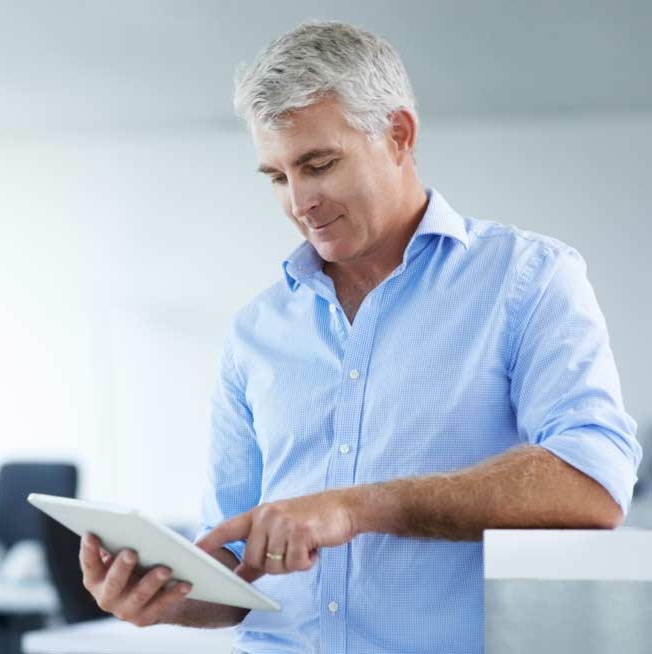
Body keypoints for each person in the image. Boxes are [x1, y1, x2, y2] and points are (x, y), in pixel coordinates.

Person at [79, 20, 641, 654]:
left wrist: (357, 508)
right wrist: (166, 594)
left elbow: (592, 483)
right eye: (276, 176)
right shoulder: (255, 332)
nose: (299, 202)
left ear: (398, 135)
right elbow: (233, 566)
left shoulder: (529, 280)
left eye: (319, 164)